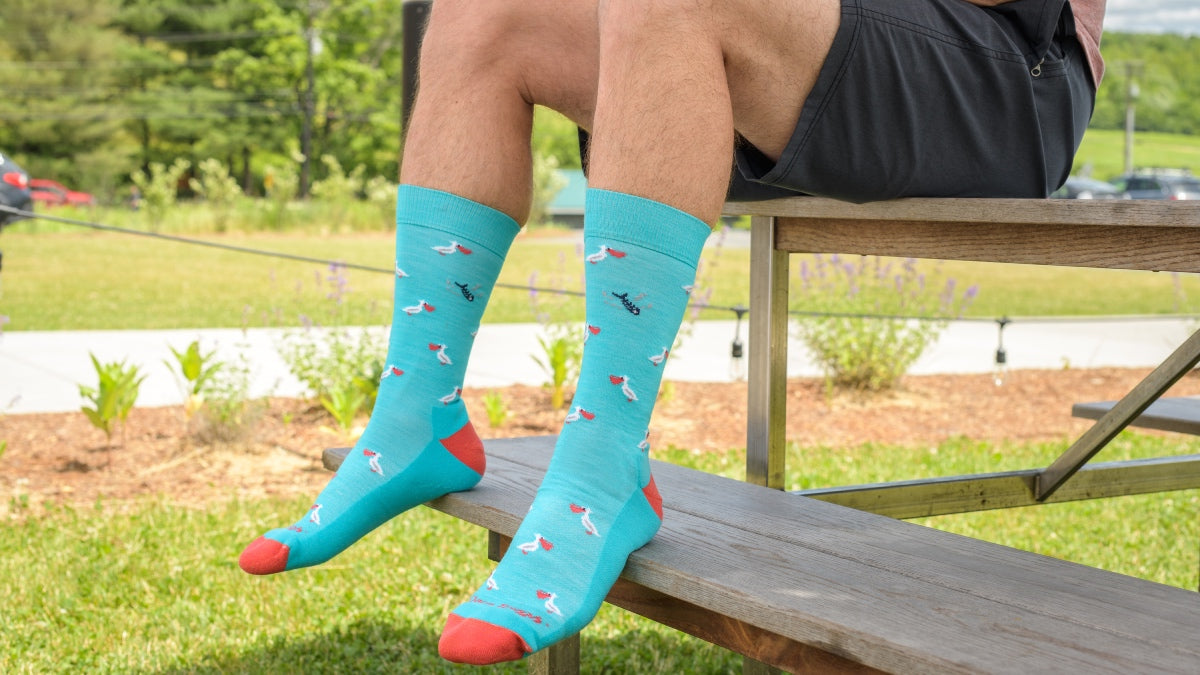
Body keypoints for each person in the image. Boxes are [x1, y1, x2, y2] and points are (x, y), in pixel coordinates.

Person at [239, 0, 1107, 665]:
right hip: (803, 48)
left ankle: (602, 467)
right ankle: (416, 416)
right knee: (481, 13)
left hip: (1009, 73)